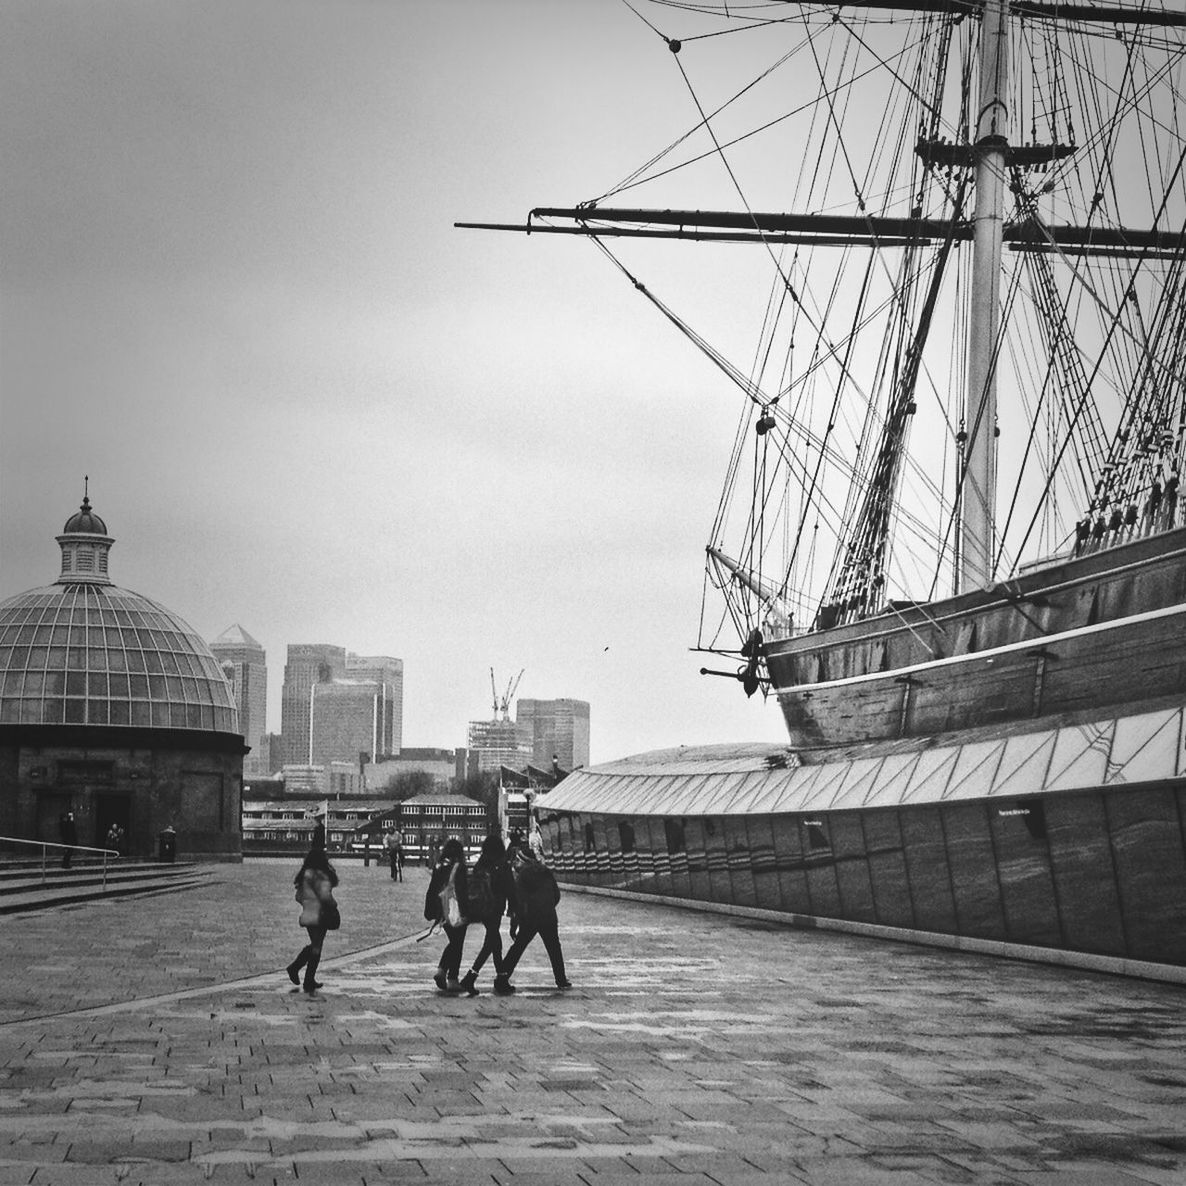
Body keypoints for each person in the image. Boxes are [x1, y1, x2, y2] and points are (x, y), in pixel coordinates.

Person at [496, 848, 571, 993]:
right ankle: (561, 979)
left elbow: (518, 900)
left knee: (518, 947)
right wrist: (548, 907)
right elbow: (556, 894)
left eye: (518, 860)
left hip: (530, 918)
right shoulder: (545, 871)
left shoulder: (522, 875)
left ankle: (502, 977)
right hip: (548, 916)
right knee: (554, 947)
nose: (516, 863)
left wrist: (514, 923)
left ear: (524, 861)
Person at [458, 833, 515, 997]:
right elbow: (509, 887)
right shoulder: (502, 864)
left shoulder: (482, 862)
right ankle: (471, 976)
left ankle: (501, 978)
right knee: (490, 942)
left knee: (494, 941)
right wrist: (514, 910)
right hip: (496, 906)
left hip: (482, 906)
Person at [287, 849, 340, 994]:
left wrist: (308, 903)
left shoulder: (306, 874)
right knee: (317, 946)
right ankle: (298, 970)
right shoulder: (321, 876)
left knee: (316, 945)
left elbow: (298, 896)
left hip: (309, 912)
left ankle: (307, 977)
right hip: (320, 914)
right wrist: (334, 904)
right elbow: (325, 896)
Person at [425, 837, 469, 994]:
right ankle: (451, 978)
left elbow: (432, 889)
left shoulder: (439, 867)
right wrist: (467, 911)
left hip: (442, 910)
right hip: (456, 910)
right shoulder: (460, 867)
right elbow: (462, 892)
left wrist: (430, 911)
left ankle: (443, 972)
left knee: (453, 943)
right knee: (457, 944)